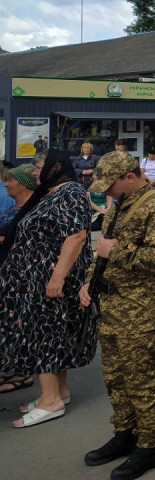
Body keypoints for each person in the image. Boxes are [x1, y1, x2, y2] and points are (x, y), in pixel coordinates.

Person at [79, 152, 155, 480]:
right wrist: (88, 283)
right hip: (111, 305)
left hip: (140, 308)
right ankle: (125, 432)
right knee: (115, 376)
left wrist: (116, 252)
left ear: (128, 176)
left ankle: (149, 445)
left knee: (141, 378)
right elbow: (102, 250)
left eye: (110, 185)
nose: (106, 192)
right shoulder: (119, 204)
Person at [0, 150, 94, 427]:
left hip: (49, 280)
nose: (34, 172)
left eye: (38, 167)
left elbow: (76, 235)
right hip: (36, 280)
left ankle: (50, 401)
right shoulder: (51, 193)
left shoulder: (71, 192)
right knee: (54, 334)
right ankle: (58, 393)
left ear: (55, 167)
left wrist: (57, 277)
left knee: (43, 335)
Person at [0, 164, 38, 397]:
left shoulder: (29, 210)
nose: (5, 184)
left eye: (9, 181)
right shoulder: (15, 206)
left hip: (19, 275)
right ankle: (10, 368)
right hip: (6, 271)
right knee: (7, 322)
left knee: (16, 323)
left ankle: (21, 373)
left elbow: (22, 241)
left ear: (23, 183)